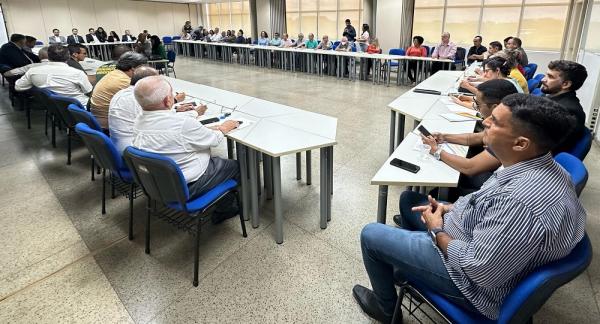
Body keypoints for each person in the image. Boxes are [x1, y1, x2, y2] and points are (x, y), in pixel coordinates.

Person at [354, 93, 585, 322]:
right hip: (471, 236)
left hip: (472, 284)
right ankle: (407, 267)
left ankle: (386, 310)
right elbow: (487, 202)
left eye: (494, 122)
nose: (485, 122)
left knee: (370, 235)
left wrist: (437, 231)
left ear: (520, 143)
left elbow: (478, 270)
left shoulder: (521, 202)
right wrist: (449, 208)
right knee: (408, 200)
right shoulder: (539, 166)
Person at [132, 76, 241, 223]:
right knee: (235, 166)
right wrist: (224, 127)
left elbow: (170, 125)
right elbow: (214, 140)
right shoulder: (182, 124)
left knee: (216, 160)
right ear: (167, 100)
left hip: (155, 184)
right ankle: (226, 209)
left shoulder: (138, 121)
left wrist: (195, 118)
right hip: (187, 187)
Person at [403, 79, 519, 208]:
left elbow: (470, 167)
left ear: (495, 107)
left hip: (488, 188)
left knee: (439, 184)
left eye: (478, 105)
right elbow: (474, 138)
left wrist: (437, 151)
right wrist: (445, 137)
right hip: (492, 180)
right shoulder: (507, 121)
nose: (485, 122)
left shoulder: (506, 133)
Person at [109, 67, 196, 153]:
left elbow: (153, 115)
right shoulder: (138, 98)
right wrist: (194, 113)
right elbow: (163, 122)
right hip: (134, 153)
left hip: (122, 146)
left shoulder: (124, 93)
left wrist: (175, 109)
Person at [15, 44, 92, 106]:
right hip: (82, 108)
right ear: (69, 56)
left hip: (55, 109)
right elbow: (90, 93)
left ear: (48, 56)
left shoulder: (32, 72)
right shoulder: (77, 73)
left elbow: (18, 86)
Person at [541, 60, 588, 154]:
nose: (543, 79)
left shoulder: (568, 111)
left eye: (550, 77)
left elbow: (545, 146)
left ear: (565, 84)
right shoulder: (551, 96)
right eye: (546, 75)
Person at [90, 51, 147, 129]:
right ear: (133, 68)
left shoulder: (114, 74)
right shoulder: (124, 81)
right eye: (143, 68)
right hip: (108, 125)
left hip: (100, 120)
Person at [459, 57, 524, 95]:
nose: (484, 75)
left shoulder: (504, 85)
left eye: (487, 71)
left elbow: (484, 97)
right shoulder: (507, 79)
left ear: (497, 70)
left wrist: (467, 86)